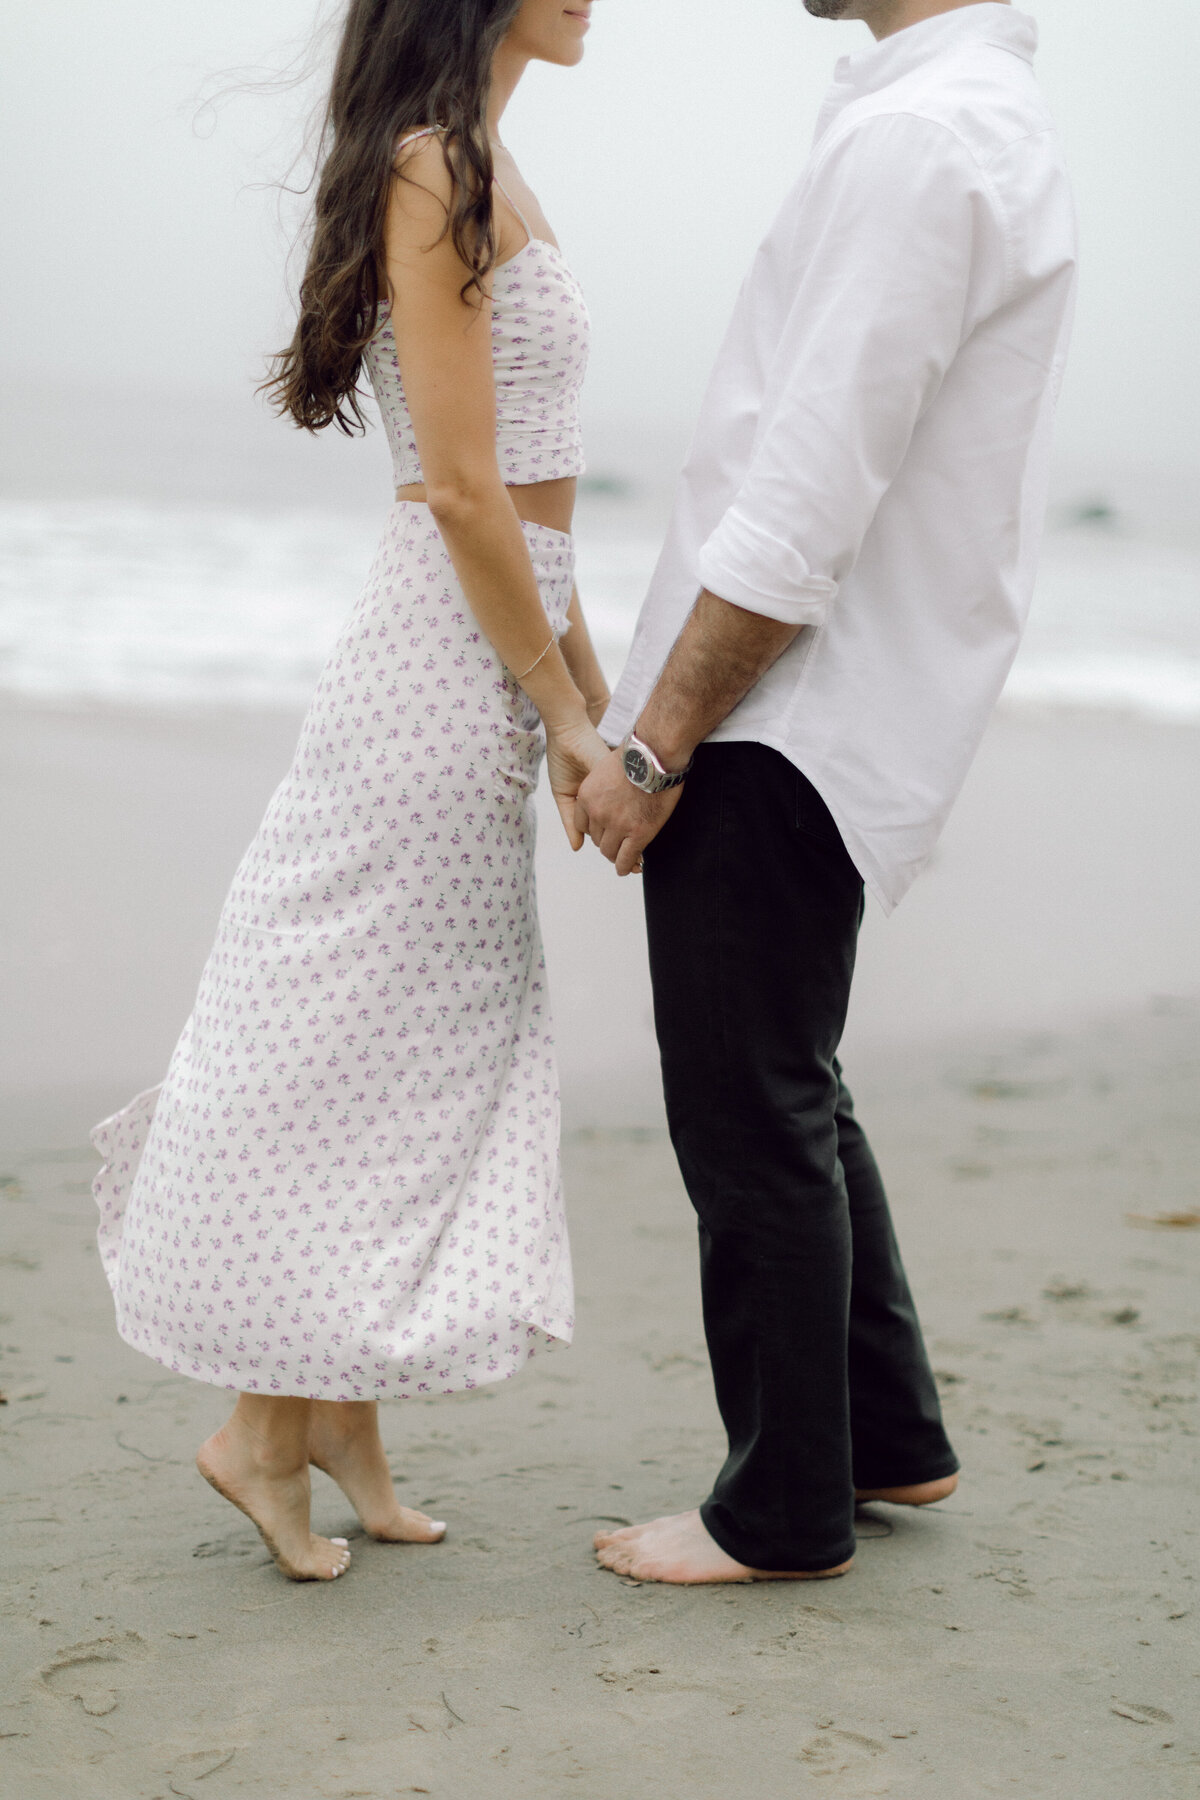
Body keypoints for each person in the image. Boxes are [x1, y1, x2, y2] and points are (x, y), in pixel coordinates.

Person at [91, 0, 609, 1583]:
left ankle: (341, 1418)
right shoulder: (432, 165)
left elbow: (547, 490)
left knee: (424, 1031)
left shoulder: (489, 161)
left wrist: (601, 707)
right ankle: (260, 1427)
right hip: (441, 666)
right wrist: (557, 709)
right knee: (359, 1024)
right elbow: (460, 489)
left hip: (496, 650)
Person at [580, 0, 1077, 1583]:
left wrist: (657, 740)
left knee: (749, 1106)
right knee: (791, 1073)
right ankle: (894, 1440)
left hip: (790, 706)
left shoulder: (928, 136)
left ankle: (784, 1508)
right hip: (834, 699)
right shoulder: (954, 114)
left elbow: (809, 488)